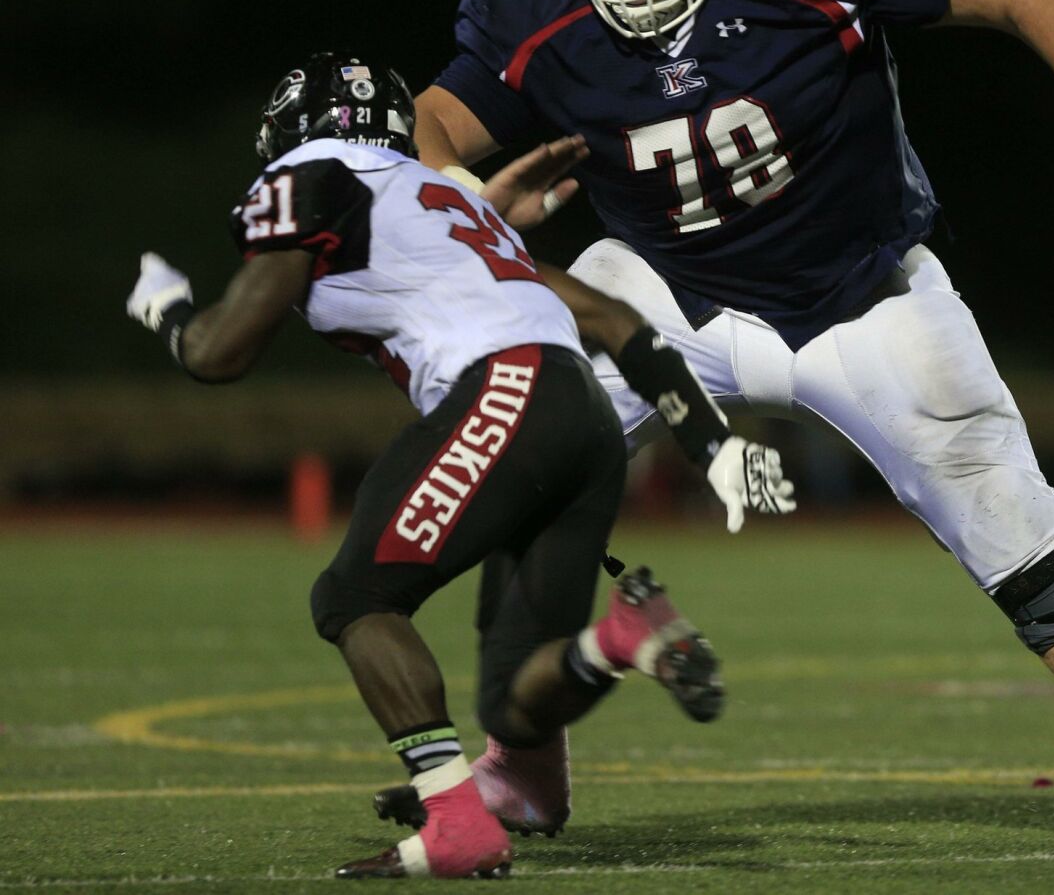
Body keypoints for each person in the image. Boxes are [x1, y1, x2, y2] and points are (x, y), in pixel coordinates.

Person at [410, 0, 1054, 845]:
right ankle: (525, 766)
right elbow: (435, 121)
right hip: (662, 289)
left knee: (1010, 514)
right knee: (513, 457)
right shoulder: (534, 8)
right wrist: (462, 191)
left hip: (857, 291)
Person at [124, 52, 796, 880]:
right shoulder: (443, 201)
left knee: (356, 597)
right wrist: (709, 442)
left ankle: (456, 823)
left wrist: (170, 310)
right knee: (514, 700)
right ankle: (623, 637)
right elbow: (614, 318)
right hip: (583, 411)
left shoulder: (315, 174)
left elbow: (220, 353)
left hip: (505, 390)